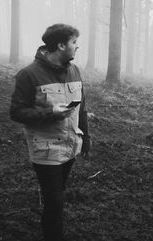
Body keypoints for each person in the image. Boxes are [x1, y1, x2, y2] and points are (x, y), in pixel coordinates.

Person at [10, 23, 91, 241]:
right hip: (45, 150)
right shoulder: (29, 75)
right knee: (55, 202)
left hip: (71, 145)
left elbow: (82, 107)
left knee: (56, 197)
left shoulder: (74, 70)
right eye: (74, 42)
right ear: (61, 45)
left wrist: (87, 138)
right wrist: (50, 113)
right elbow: (16, 112)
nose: (77, 47)